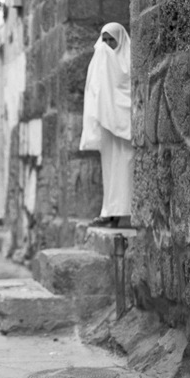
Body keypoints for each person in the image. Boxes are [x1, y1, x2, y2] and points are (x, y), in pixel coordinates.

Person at [80, 22, 133, 228]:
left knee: (126, 167)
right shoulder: (102, 57)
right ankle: (110, 212)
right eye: (105, 40)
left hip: (124, 123)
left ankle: (123, 212)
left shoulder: (128, 58)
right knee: (110, 169)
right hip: (108, 124)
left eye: (112, 39)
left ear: (120, 39)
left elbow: (125, 84)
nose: (109, 44)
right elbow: (96, 89)